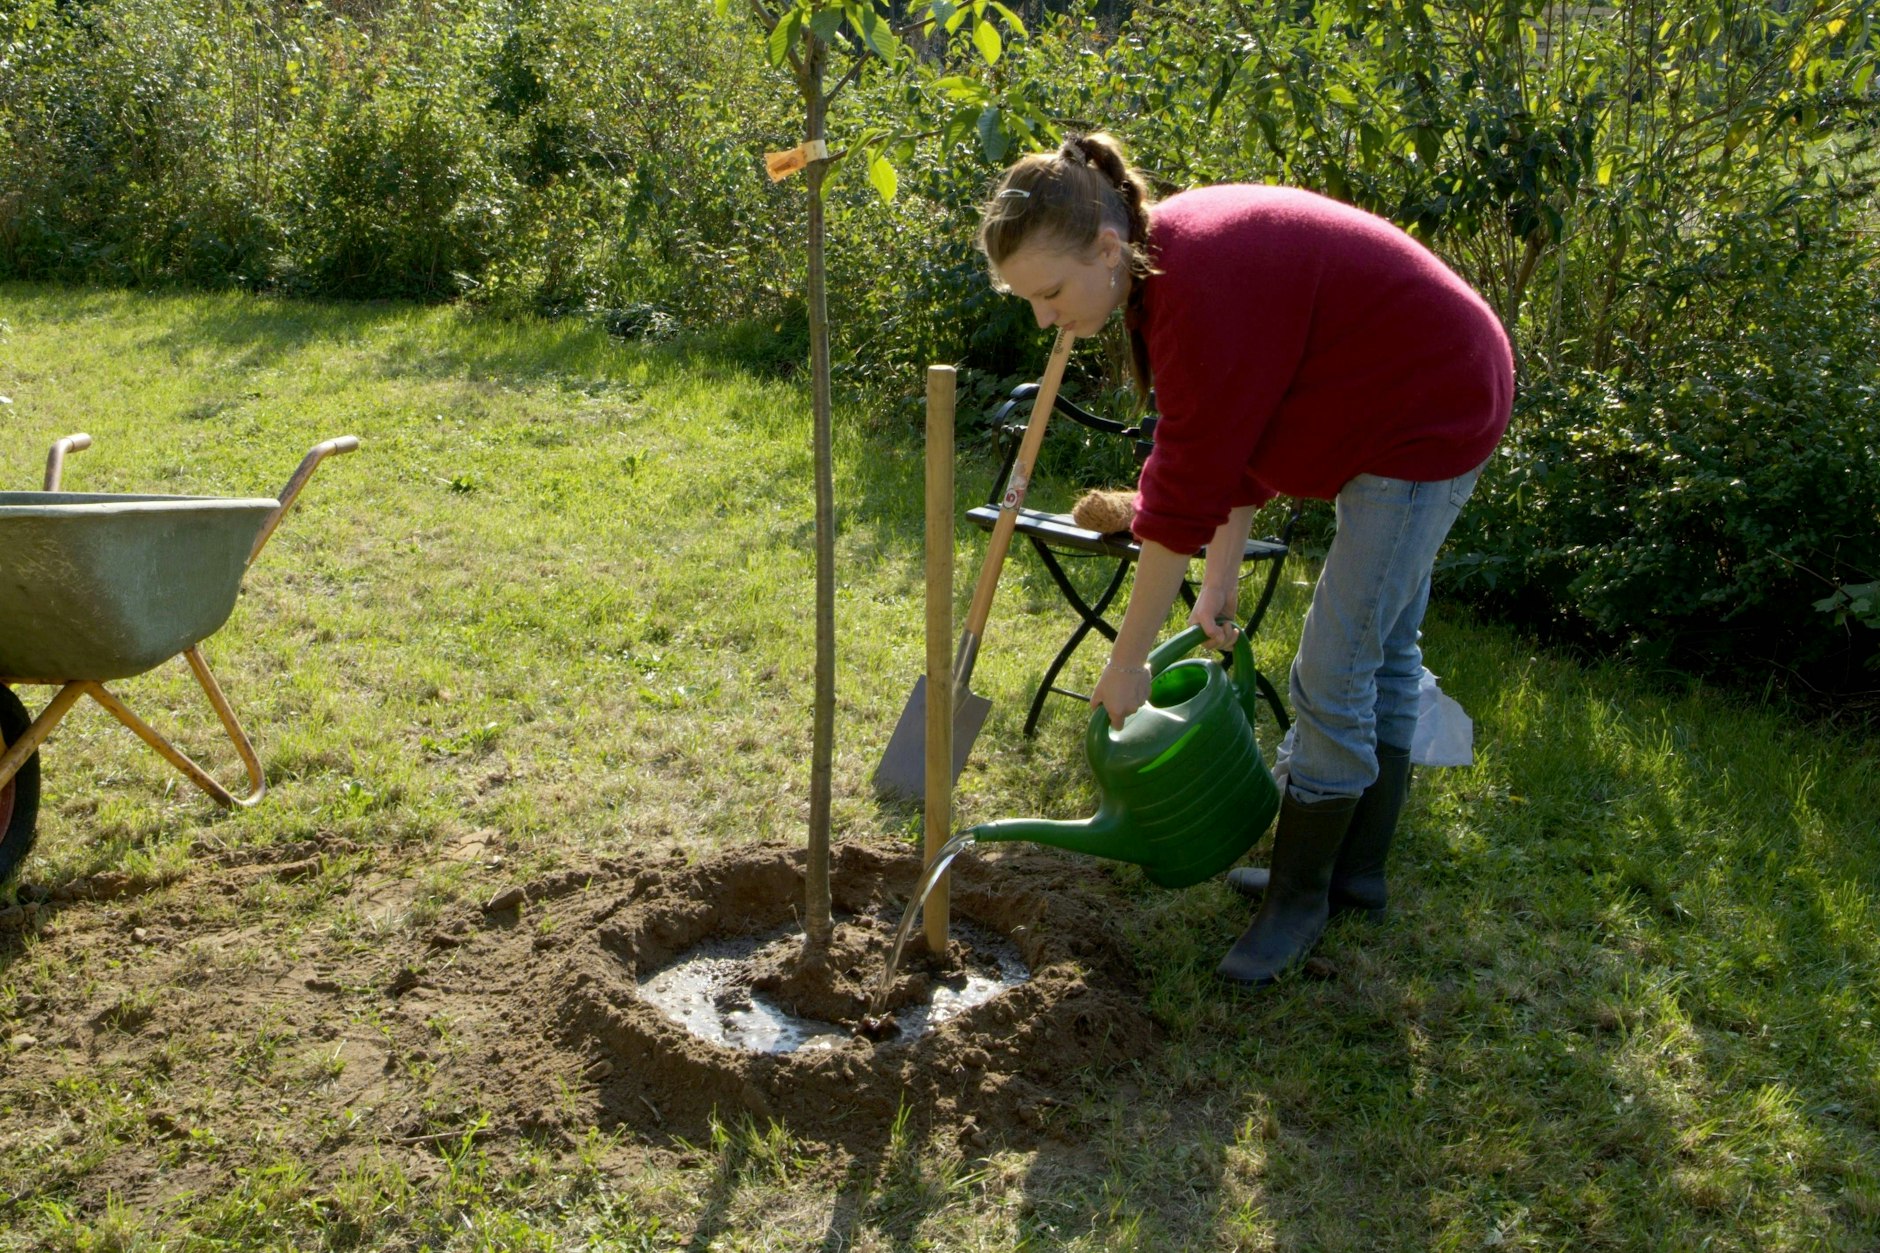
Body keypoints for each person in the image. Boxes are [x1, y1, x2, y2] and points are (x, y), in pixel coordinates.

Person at [977, 133, 1513, 986]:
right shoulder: (1163, 267)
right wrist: (1218, 582)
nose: (1044, 319)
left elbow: (1179, 495)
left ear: (1106, 249)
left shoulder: (1196, 281)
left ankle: (1299, 900)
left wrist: (1128, 661)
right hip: (1407, 390)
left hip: (1429, 410)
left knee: (1336, 666)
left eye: (1048, 294)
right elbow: (1231, 439)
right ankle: (1354, 877)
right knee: (1379, 652)